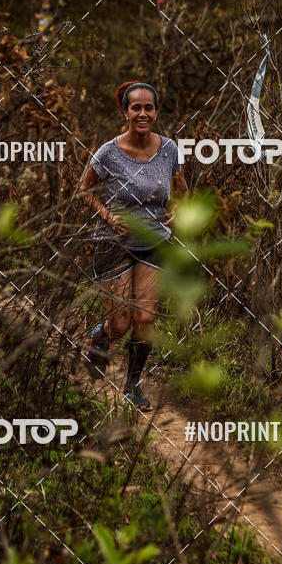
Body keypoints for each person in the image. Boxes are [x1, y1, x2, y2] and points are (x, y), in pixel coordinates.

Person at [80, 81, 189, 410]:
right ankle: (102, 335)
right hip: (114, 243)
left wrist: (178, 211)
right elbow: (84, 191)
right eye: (136, 107)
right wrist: (108, 216)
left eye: (148, 108)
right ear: (125, 112)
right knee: (121, 323)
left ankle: (132, 385)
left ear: (156, 112)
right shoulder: (108, 153)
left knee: (145, 319)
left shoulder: (169, 149)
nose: (142, 113)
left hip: (154, 241)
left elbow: (182, 190)